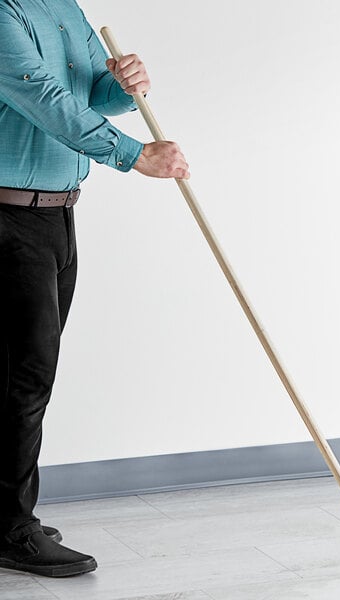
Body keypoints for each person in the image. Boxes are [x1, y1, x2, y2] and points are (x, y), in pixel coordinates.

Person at [0, 0, 189, 578]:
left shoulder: (63, 7)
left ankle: (7, 513)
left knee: (26, 376)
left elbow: (85, 95)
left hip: (59, 215)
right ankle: (11, 528)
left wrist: (125, 88)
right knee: (25, 377)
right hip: (8, 219)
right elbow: (46, 104)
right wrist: (134, 156)